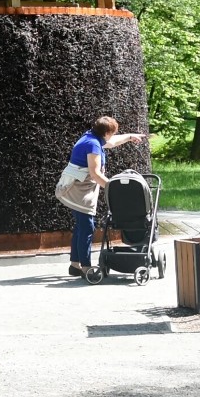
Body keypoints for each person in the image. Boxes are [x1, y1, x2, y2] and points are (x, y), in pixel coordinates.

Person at [55, 116, 146, 278]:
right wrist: (115, 189)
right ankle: (86, 267)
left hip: (74, 187)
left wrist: (130, 136)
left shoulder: (91, 136)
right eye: (112, 133)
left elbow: (111, 142)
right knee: (87, 227)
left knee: (81, 226)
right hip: (78, 190)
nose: (112, 136)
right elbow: (95, 174)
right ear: (106, 132)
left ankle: (75, 265)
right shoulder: (93, 145)